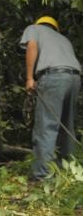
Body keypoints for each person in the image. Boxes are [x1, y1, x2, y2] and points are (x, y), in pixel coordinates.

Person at [20, 16, 81, 181]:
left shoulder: (34, 29)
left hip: (53, 76)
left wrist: (29, 78)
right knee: (66, 126)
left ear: (39, 24)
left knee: (46, 126)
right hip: (75, 78)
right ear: (56, 28)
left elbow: (32, 46)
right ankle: (67, 171)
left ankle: (42, 176)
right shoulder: (64, 39)